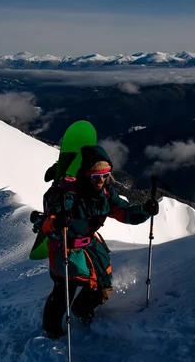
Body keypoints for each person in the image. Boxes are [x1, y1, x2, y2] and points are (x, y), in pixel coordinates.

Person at [40, 145, 159, 339]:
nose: (101, 180)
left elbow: (125, 212)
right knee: (64, 291)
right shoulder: (67, 197)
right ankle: (51, 329)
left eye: (106, 175)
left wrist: (145, 210)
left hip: (89, 244)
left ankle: (82, 310)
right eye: (96, 176)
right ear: (86, 174)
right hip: (65, 247)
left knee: (102, 286)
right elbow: (46, 223)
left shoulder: (105, 195)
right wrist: (57, 222)